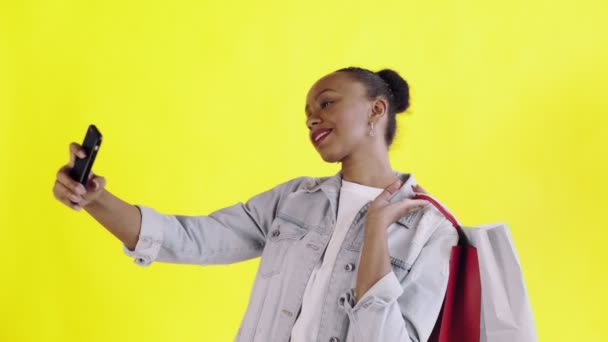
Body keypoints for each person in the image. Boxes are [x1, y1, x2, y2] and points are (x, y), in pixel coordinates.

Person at [52, 66, 458, 342]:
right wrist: (96, 199)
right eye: (308, 113)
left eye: (327, 103)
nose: (312, 119)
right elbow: (194, 239)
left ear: (376, 109)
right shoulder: (295, 199)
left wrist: (375, 237)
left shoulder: (430, 229)